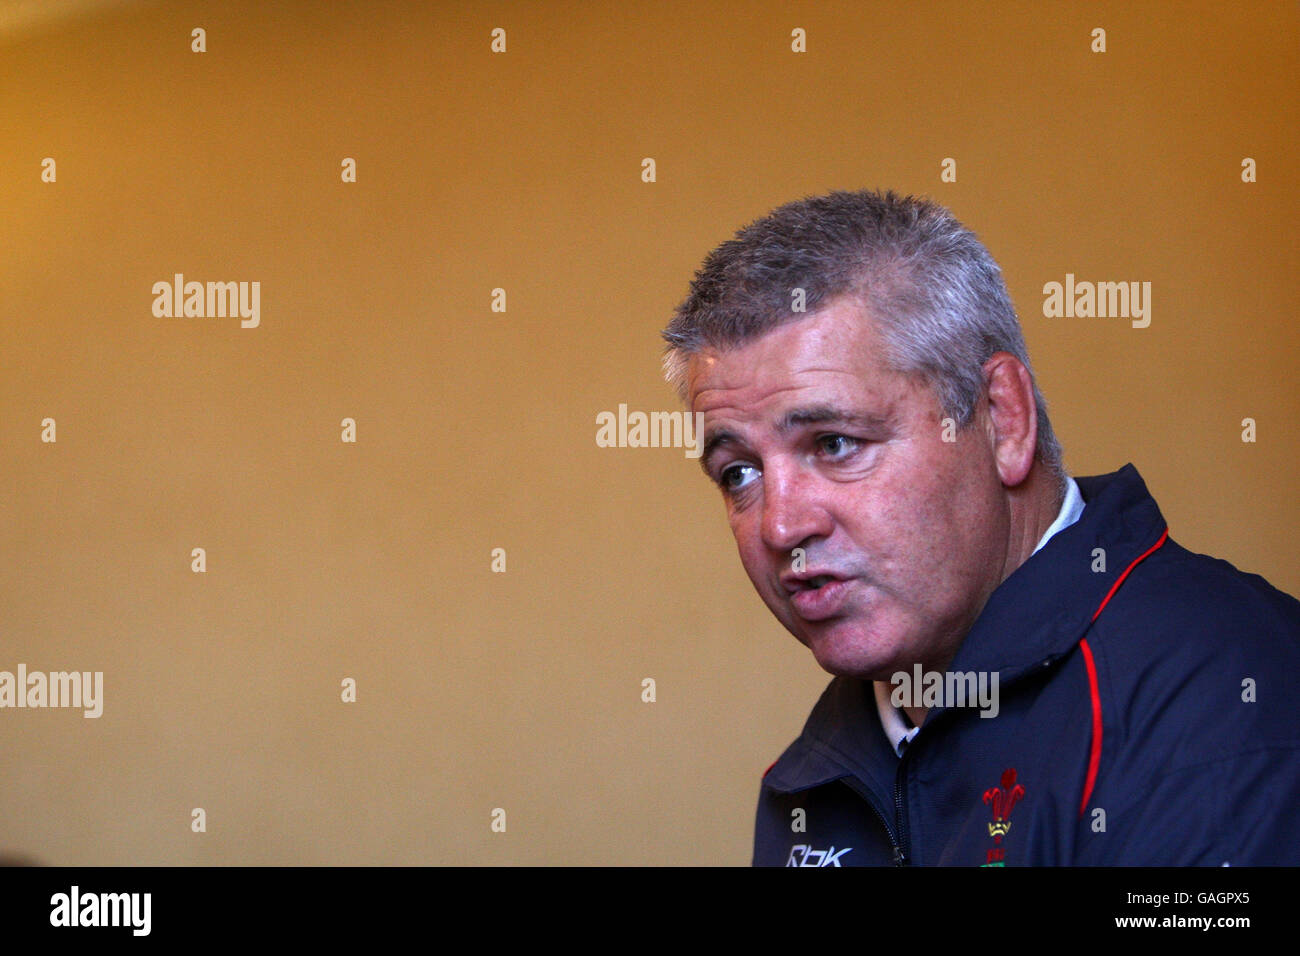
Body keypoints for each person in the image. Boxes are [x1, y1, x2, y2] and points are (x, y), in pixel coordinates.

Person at [660, 189, 1300, 866]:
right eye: (738, 473)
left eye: (835, 444)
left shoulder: (1226, 709)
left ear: (1003, 418)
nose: (782, 525)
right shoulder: (816, 773)